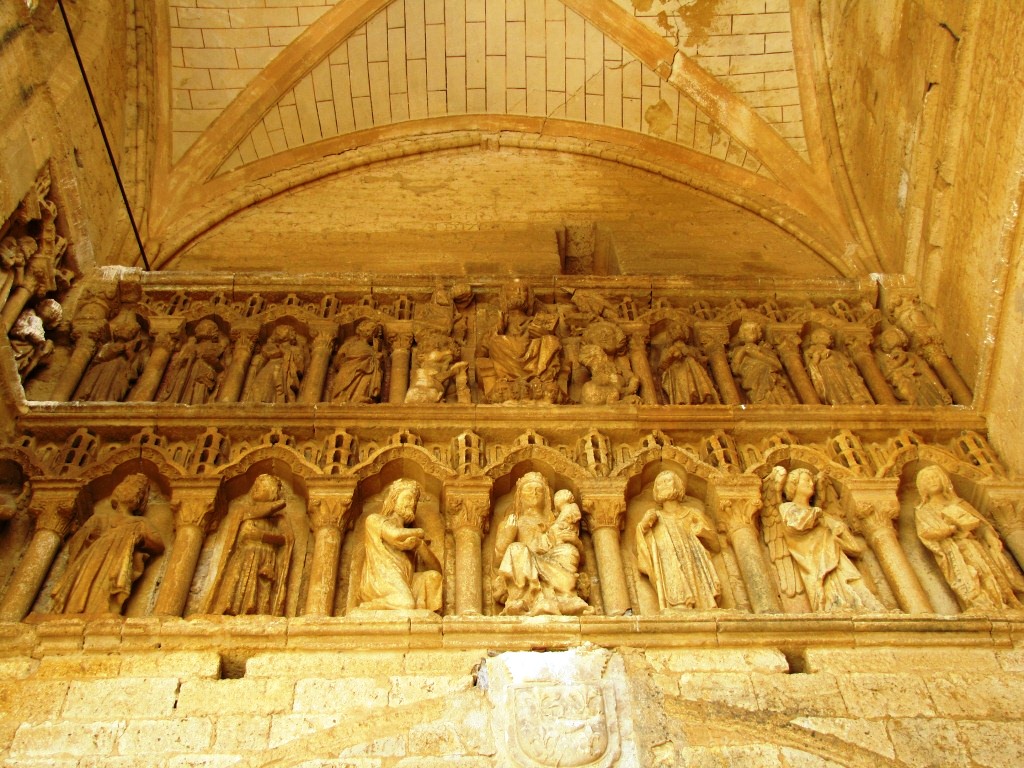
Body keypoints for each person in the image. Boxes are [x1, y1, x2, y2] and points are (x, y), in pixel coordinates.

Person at [51, 474, 164, 615]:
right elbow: (77, 542)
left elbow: (158, 543)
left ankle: (104, 609)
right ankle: (73, 609)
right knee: (84, 581)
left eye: (139, 492)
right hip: (93, 558)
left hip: (118, 559)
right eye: (129, 488)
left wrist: (138, 537)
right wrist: (89, 539)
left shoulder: (139, 523)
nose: (133, 493)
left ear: (140, 501)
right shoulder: (99, 519)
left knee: (109, 583)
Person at [914, 465, 1024, 610]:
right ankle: (981, 604)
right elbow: (925, 532)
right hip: (953, 550)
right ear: (922, 487)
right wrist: (949, 529)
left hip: (974, 544)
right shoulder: (924, 510)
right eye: (927, 480)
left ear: (943, 479)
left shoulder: (959, 503)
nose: (932, 481)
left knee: (988, 572)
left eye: (935, 477)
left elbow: (982, 525)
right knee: (969, 576)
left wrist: (990, 538)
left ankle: (1003, 602)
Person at [776, 468, 883, 612]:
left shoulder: (823, 514)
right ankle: (834, 606)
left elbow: (849, 542)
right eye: (806, 480)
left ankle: (869, 607)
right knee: (828, 583)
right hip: (814, 559)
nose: (811, 484)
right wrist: (816, 513)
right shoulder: (787, 507)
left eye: (812, 481)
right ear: (794, 485)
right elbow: (797, 523)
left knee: (851, 578)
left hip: (835, 554)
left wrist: (840, 530)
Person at [492, 472, 590, 616]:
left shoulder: (555, 521)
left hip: (552, 560)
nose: (534, 493)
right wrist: (508, 535)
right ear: (520, 496)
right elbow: (499, 560)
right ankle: (526, 597)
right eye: (529, 489)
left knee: (568, 550)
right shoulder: (512, 521)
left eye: (539, 490)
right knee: (516, 549)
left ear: (546, 496)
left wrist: (576, 542)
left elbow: (582, 557)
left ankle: (564, 596)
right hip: (526, 563)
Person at [636, 470, 721, 612]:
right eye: (660, 483)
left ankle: (703, 604)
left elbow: (716, 546)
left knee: (700, 592)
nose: (664, 485)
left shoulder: (692, 513)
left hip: (693, 561)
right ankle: (679, 605)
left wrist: (703, 532)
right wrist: (643, 526)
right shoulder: (654, 517)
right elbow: (643, 547)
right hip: (669, 565)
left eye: (668, 481)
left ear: (678, 485)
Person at [210, 474, 292, 616]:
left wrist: (260, 535)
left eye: (261, 487)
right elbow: (246, 529)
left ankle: (260, 612)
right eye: (255, 486)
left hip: (266, 558)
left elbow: (287, 538)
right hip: (246, 555)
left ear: (272, 491)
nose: (255, 489)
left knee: (262, 587)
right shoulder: (243, 511)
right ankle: (232, 609)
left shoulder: (279, 518)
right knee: (239, 581)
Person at [358, 479, 442, 611]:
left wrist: (420, 545)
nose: (412, 503)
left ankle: (417, 610)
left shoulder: (411, 539)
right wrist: (419, 532)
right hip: (383, 578)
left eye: (414, 501)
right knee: (405, 603)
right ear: (394, 499)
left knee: (433, 578)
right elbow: (394, 535)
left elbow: (437, 569)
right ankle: (372, 605)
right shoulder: (374, 520)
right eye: (408, 498)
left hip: (406, 580)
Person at [74, 311, 148, 402]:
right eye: (122, 329)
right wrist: (118, 349)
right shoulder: (107, 346)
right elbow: (99, 358)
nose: (125, 332)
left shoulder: (134, 351)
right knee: (95, 385)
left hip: (119, 372)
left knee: (114, 386)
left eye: (131, 332)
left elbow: (136, 366)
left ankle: (107, 399)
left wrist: (129, 352)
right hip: (102, 370)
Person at [157, 318, 229, 404]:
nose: (198, 329)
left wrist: (209, 359)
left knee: (198, 393)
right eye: (199, 327)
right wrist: (186, 358)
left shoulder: (217, 347)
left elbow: (221, 366)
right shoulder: (190, 347)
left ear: (212, 331)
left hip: (202, 375)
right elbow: (179, 363)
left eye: (203, 327)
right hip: (185, 373)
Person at [728, 321, 795, 404]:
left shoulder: (765, 349)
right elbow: (735, 369)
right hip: (751, 380)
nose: (752, 332)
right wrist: (743, 351)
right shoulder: (738, 350)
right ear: (742, 335)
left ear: (758, 334)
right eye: (748, 330)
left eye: (754, 330)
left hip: (769, 379)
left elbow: (778, 365)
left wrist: (757, 355)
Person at [803, 328, 873, 405]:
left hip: (843, 372)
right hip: (828, 372)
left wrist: (845, 364)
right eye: (825, 335)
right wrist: (816, 359)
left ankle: (857, 398)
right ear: (816, 338)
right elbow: (809, 370)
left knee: (850, 384)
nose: (829, 337)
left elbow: (848, 364)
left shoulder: (836, 353)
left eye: (829, 336)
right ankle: (842, 401)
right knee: (836, 387)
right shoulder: (810, 352)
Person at [244, 325, 307, 403]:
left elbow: (299, 364)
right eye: (277, 331)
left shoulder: (295, 349)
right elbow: (261, 360)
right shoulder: (269, 347)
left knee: (278, 388)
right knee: (259, 386)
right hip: (269, 368)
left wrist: (285, 353)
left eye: (282, 330)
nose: (278, 332)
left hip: (282, 370)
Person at [330, 319, 384, 404]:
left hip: (367, 370)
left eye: (374, 331)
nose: (371, 332)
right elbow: (339, 357)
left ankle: (359, 396)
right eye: (370, 328)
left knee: (368, 374)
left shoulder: (372, 349)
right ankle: (342, 396)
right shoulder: (350, 344)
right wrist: (343, 364)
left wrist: (377, 357)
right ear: (361, 329)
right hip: (348, 369)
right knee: (345, 380)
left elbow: (376, 364)